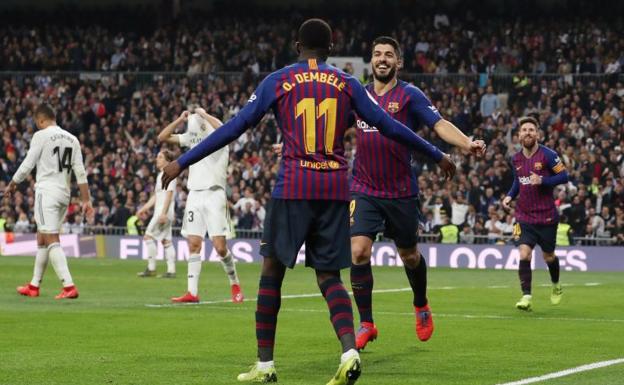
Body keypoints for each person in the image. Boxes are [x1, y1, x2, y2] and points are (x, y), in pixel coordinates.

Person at [161, 19, 456, 385]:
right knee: (329, 275)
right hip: (334, 190)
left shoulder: (279, 80)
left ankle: (265, 364)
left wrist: (181, 161)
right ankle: (349, 352)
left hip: (294, 188)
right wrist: (438, 155)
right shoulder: (348, 83)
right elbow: (391, 126)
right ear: (331, 48)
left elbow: (233, 128)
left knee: (272, 273)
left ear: (297, 46)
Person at [348, 36, 485, 350]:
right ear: (371, 60)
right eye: (377, 54)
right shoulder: (359, 95)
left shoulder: (409, 95)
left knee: (409, 256)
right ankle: (366, 323)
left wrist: (466, 143)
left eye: (388, 55)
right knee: (358, 251)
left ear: (399, 62)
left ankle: (421, 304)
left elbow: (438, 124)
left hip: (399, 192)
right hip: (364, 188)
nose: (382, 59)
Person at [6, 103, 93, 299]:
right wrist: (86, 200)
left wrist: (13, 183)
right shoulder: (73, 139)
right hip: (64, 193)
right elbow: (80, 172)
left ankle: (69, 286)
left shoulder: (41, 136)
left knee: (51, 237)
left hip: (46, 192)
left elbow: (28, 163)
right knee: (42, 237)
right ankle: (34, 286)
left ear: (40, 120)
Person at [158, 108, 243, 303]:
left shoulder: (221, 139)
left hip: (214, 194)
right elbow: (162, 137)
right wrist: (180, 118)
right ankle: (192, 292)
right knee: (194, 244)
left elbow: (222, 127)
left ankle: (234, 283)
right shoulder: (191, 139)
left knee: (220, 247)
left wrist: (203, 115)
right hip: (194, 194)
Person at [502, 116, 570, 311]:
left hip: (547, 216)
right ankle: (526, 297)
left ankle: (556, 285)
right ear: (519, 135)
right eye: (524, 130)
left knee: (548, 256)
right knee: (524, 253)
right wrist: (509, 196)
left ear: (538, 134)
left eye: (532, 129)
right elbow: (518, 182)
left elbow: (564, 176)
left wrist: (543, 181)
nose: (528, 133)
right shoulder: (515, 159)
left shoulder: (548, 155)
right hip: (523, 216)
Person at [136, 150, 177, 278]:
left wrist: (163, 213)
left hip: (163, 213)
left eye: (160, 157)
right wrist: (144, 208)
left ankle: (151, 268)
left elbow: (169, 195)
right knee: (166, 241)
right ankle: (171, 271)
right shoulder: (161, 175)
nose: (157, 159)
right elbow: (156, 196)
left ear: (167, 160)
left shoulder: (169, 173)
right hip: (164, 212)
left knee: (148, 236)